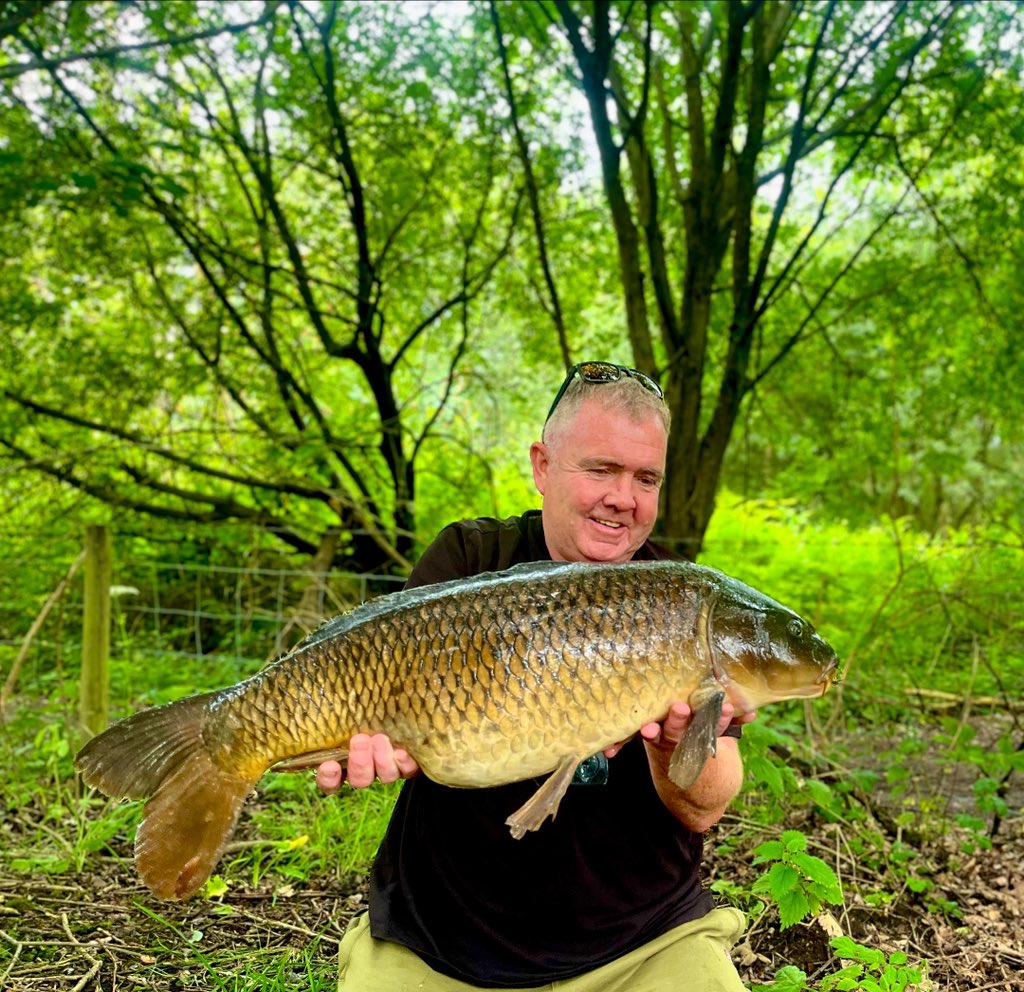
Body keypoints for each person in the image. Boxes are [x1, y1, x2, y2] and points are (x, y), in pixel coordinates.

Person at [317, 362, 753, 991]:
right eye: (601, 469)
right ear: (543, 466)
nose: (623, 498)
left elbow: (705, 808)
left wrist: (669, 744)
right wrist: (360, 740)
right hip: (443, 943)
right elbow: (371, 695)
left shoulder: (683, 600)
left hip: (644, 942)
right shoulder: (468, 563)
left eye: (646, 478)